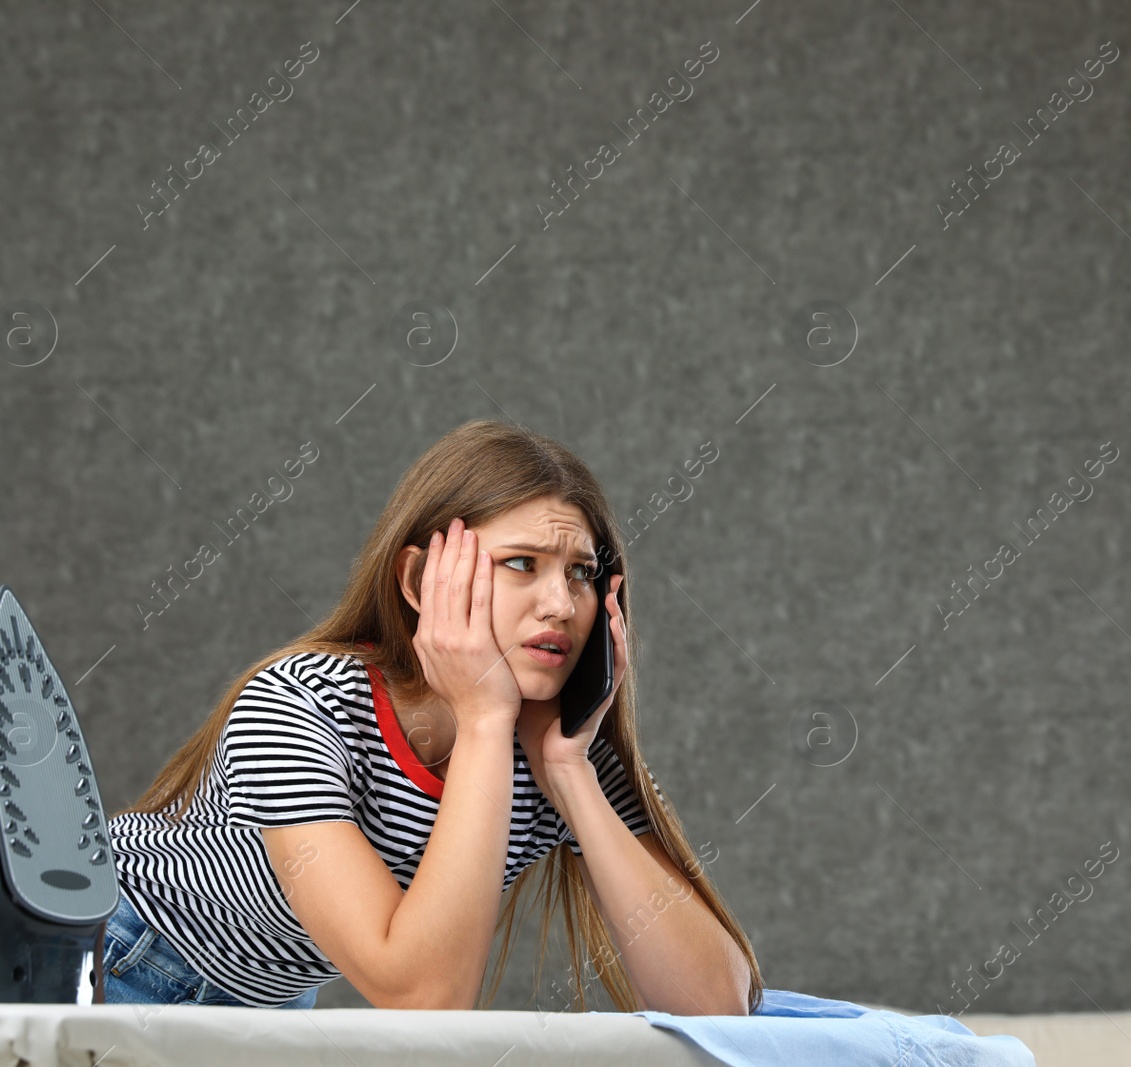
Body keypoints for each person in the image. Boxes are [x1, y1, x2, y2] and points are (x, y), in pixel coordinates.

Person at [104, 419, 763, 1013]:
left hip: (263, 1010)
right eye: (522, 563)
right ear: (420, 582)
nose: (561, 603)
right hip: (110, 954)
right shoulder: (299, 705)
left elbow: (718, 1003)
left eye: (582, 573)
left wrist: (569, 772)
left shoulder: (560, 742)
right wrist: (481, 720)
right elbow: (425, 999)